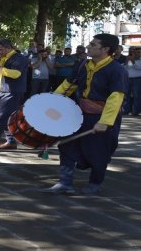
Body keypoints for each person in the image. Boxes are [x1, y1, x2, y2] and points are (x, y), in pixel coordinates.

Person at [42, 34, 128, 195]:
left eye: (93, 44)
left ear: (105, 49)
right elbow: (69, 85)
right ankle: (65, 182)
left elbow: (116, 97)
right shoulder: (83, 65)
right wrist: (50, 102)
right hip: (79, 114)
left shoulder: (117, 70)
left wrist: (105, 122)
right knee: (66, 144)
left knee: (98, 152)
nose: (88, 46)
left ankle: (95, 184)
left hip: (101, 117)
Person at [123, 47, 141, 115]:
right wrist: (126, 62)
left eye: (139, 52)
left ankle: (135, 111)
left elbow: (138, 67)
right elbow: (124, 69)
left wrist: (133, 61)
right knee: (126, 95)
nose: (137, 54)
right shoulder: (129, 60)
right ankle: (126, 110)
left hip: (137, 79)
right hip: (128, 79)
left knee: (137, 96)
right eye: (136, 52)